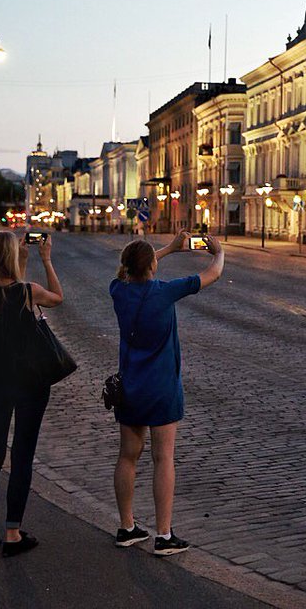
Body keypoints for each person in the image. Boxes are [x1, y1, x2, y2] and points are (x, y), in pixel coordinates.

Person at [110, 230, 224, 556]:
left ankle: (127, 527)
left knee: (127, 456)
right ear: (152, 268)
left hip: (129, 387)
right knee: (164, 459)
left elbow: (126, 270)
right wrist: (217, 251)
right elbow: (213, 274)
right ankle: (163, 534)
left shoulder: (118, 291)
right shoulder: (164, 292)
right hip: (161, 388)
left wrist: (165, 250)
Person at [0, 231, 64, 557]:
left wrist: (20, 261)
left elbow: (6, 290)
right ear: (12, 256)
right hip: (28, 384)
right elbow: (57, 296)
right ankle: (12, 533)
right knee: (22, 456)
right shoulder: (27, 291)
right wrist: (45, 258)